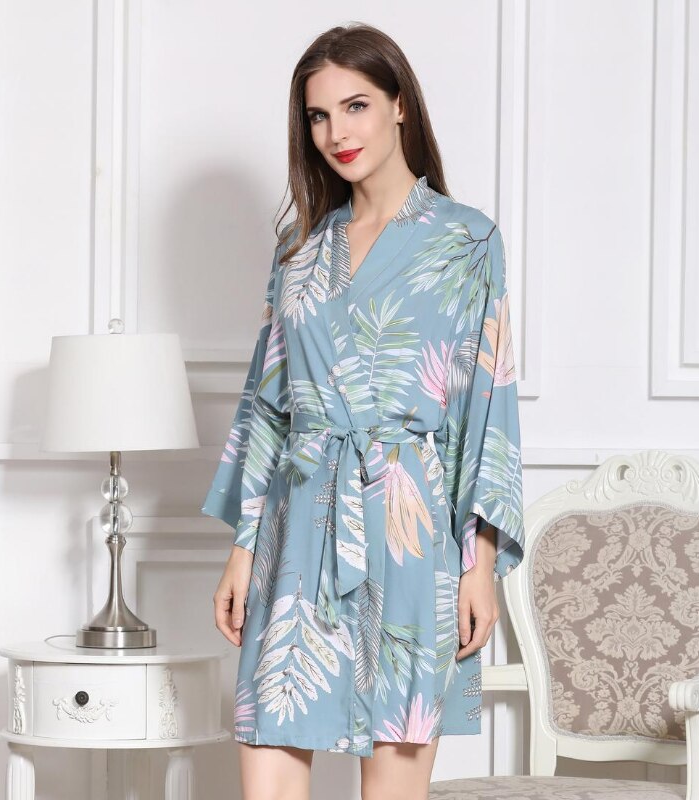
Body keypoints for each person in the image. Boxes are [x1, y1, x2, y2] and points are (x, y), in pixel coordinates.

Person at [202, 21, 525, 800]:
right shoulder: (299, 249)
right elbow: (268, 406)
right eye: (319, 116)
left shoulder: (467, 242)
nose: (336, 134)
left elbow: (487, 411)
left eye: (356, 107)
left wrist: (479, 568)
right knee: (269, 763)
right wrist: (243, 552)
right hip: (297, 530)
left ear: (399, 104)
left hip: (409, 530)